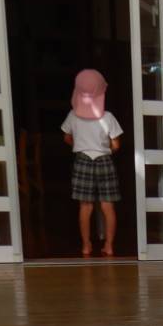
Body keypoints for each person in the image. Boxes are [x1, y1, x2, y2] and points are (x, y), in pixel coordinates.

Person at [59, 69, 123, 257]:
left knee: (85, 206)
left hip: (82, 161)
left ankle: (86, 245)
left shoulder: (73, 115)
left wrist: (80, 145)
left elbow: (66, 137)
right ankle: (109, 246)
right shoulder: (108, 117)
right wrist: (105, 149)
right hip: (104, 161)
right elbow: (116, 145)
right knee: (107, 206)